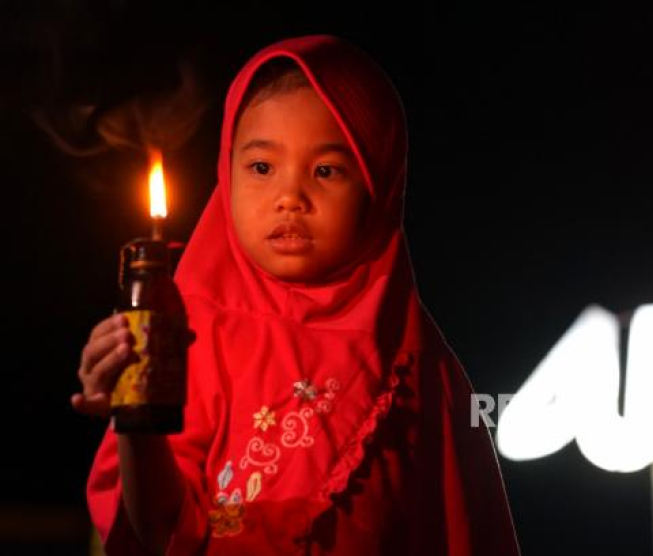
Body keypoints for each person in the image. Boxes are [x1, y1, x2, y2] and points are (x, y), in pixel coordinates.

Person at [73, 34, 521, 555]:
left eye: (326, 170)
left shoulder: (419, 367)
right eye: (262, 168)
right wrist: (136, 419)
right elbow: (158, 533)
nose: (290, 197)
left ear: (381, 187)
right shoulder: (184, 337)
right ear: (226, 171)